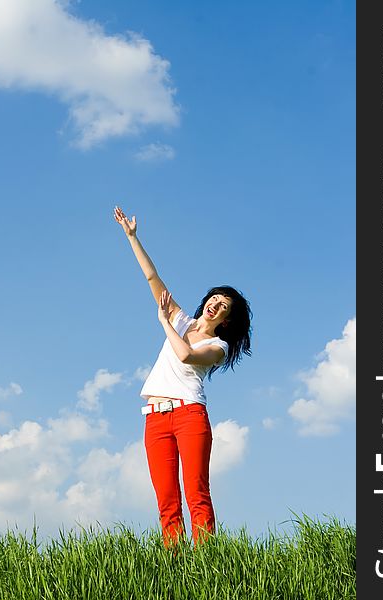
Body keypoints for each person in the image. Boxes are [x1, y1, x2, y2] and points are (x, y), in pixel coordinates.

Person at [113, 205, 252, 547]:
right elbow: (151, 277)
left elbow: (186, 354)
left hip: (190, 416)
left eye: (223, 307)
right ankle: (174, 567)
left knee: (196, 492)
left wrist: (163, 322)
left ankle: (206, 564)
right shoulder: (180, 319)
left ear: (226, 321)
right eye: (214, 299)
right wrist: (133, 237)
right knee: (167, 500)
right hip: (155, 419)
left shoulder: (217, 345)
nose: (215, 305)